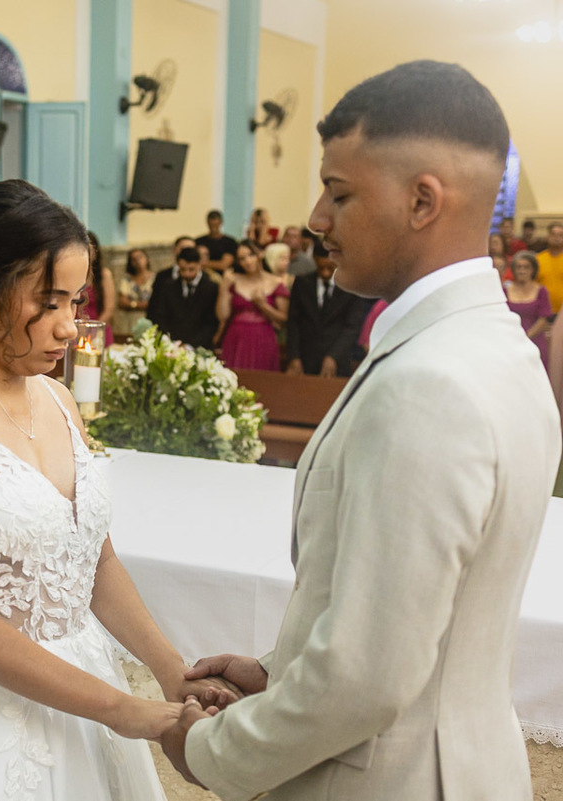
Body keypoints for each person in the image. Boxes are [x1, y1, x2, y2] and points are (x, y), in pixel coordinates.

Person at [162, 60, 561, 801]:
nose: (316, 218)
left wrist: (212, 750)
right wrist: (281, 673)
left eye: (339, 192)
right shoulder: (499, 349)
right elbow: (417, 611)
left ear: (421, 200)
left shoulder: (431, 383)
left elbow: (367, 675)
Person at [0, 180, 236, 801]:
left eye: (76, 302)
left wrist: (169, 672)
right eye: (48, 304)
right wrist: (123, 711)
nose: (70, 328)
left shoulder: (58, 397)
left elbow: (93, 561)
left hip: (82, 677)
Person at [285, 239, 368, 377]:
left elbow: (352, 327)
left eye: (330, 268)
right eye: (321, 268)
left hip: (337, 362)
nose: (325, 273)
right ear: (314, 260)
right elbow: (293, 322)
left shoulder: (351, 286)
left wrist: (333, 357)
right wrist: (294, 357)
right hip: (305, 361)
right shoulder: (302, 283)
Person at [216, 241, 289, 371]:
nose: (248, 261)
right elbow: (222, 315)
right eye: (242, 258)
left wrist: (263, 305)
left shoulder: (276, 282)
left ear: (260, 254)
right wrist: (224, 287)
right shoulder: (234, 280)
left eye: (251, 255)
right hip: (236, 338)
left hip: (263, 338)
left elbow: (284, 319)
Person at [146, 247, 219, 350]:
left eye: (191, 269)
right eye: (183, 270)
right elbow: (159, 315)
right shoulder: (168, 287)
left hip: (200, 346)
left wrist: (190, 346)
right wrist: (172, 342)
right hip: (172, 344)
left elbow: (211, 322)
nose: (187, 274)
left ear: (199, 265)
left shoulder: (211, 288)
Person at [506, 250, 552, 371]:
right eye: (518, 267)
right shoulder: (505, 290)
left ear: (533, 270)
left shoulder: (541, 291)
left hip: (535, 342)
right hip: (510, 343)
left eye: (526, 267)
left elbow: (543, 320)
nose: (522, 271)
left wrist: (525, 337)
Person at [80, 230, 116, 344]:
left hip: (98, 331)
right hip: (76, 331)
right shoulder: (75, 275)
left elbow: (109, 309)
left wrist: (92, 330)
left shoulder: (104, 274)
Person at [118, 247, 154, 332]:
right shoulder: (127, 280)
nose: (138, 261)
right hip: (131, 321)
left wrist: (132, 303)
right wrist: (138, 305)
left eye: (140, 257)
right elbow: (123, 302)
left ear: (146, 258)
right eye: (134, 259)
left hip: (150, 318)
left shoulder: (155, 279)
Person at [195, 209, 238, 274]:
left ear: (221, 222)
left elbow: (224, 265)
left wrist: (203, 263)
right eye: (211, 225)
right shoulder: (198, 241)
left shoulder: (230, 242)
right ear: (207, 223)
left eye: (215, 225)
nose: (213, 227)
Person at [535, 222, 563, 312]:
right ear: (548, 237)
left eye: (560, 235)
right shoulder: (538, 259)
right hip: (542, 311)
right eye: (553, 234)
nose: (556, 238)